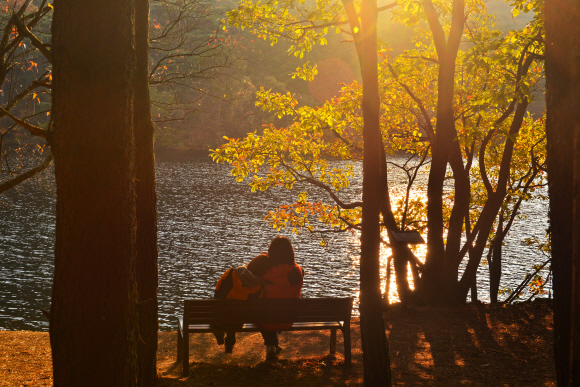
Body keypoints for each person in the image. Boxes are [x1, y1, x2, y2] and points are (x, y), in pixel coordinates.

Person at [213, 253, 272, 353]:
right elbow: (257, 306)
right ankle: (229, 342)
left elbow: (218, 291)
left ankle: (220, 334)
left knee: (224, 310)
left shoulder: (231, 273)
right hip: (240, 320)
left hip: (221, 315)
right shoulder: (259, 286)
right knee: (235, 316)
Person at [260, 236, 304, 360]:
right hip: (289, 318)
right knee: (273, 309)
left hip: (267, 320)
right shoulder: (298, 271)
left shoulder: (266, 272)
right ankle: (273, 345)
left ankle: (271, 345)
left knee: (266, 311)